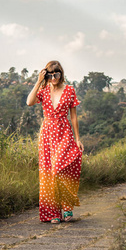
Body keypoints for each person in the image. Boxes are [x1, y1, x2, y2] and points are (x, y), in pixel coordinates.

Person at [26, 60, 84, 224]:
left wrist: (78, 138)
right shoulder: (43, 90)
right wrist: (38, 81)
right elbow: (29, 102)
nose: (53, 78)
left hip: (64, 132)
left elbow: (73, 116)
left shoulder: (70, 90)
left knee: (60, 169)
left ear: (61, 74)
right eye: (50, 75)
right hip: (47, 134)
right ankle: (53, 213)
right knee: (48, 173)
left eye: (56, 74)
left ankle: (67, 207)